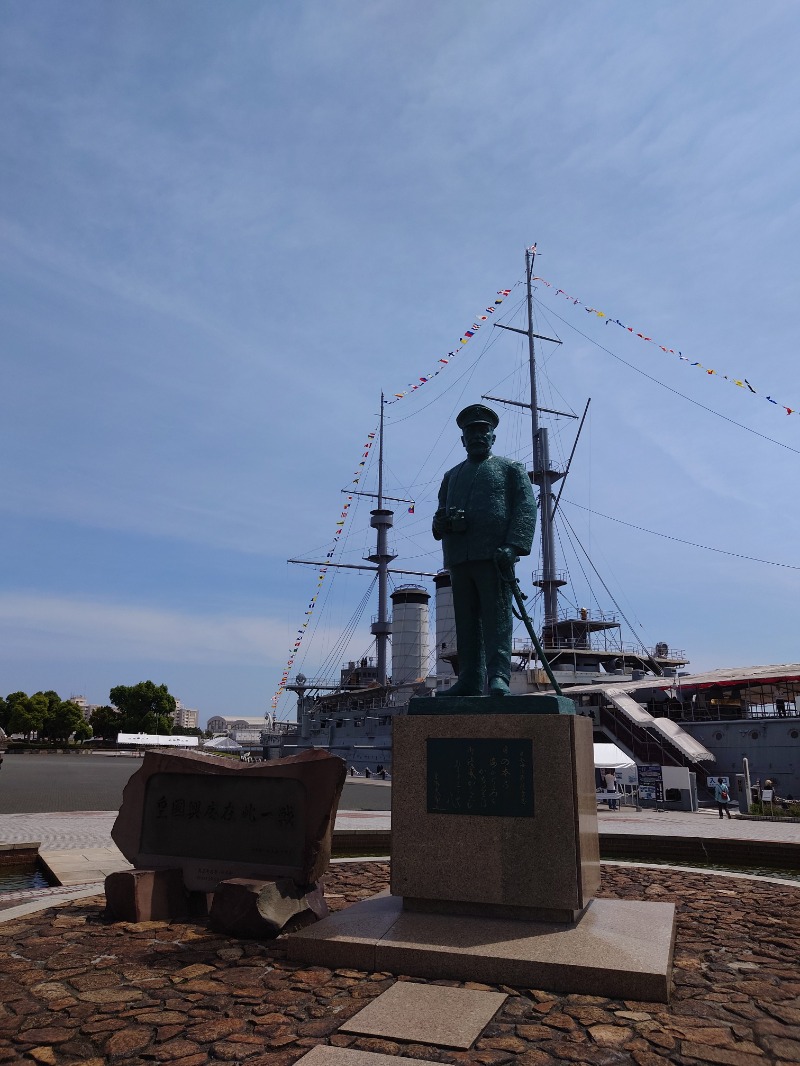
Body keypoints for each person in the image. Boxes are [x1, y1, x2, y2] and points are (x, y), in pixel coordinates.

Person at [433, 404, 537, 697]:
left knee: (497, 619)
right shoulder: (451, 476)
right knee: (466, 623)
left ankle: (499, 676)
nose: (478, 436)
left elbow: (526, 508)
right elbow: (438, 518)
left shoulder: (510, 468)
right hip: (459, 557)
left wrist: (514, 545)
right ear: (463, 439)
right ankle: (469, 678)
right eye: (471, 432)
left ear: (493, 437)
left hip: (494, 555)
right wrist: (442, 523)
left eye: (483, 431)